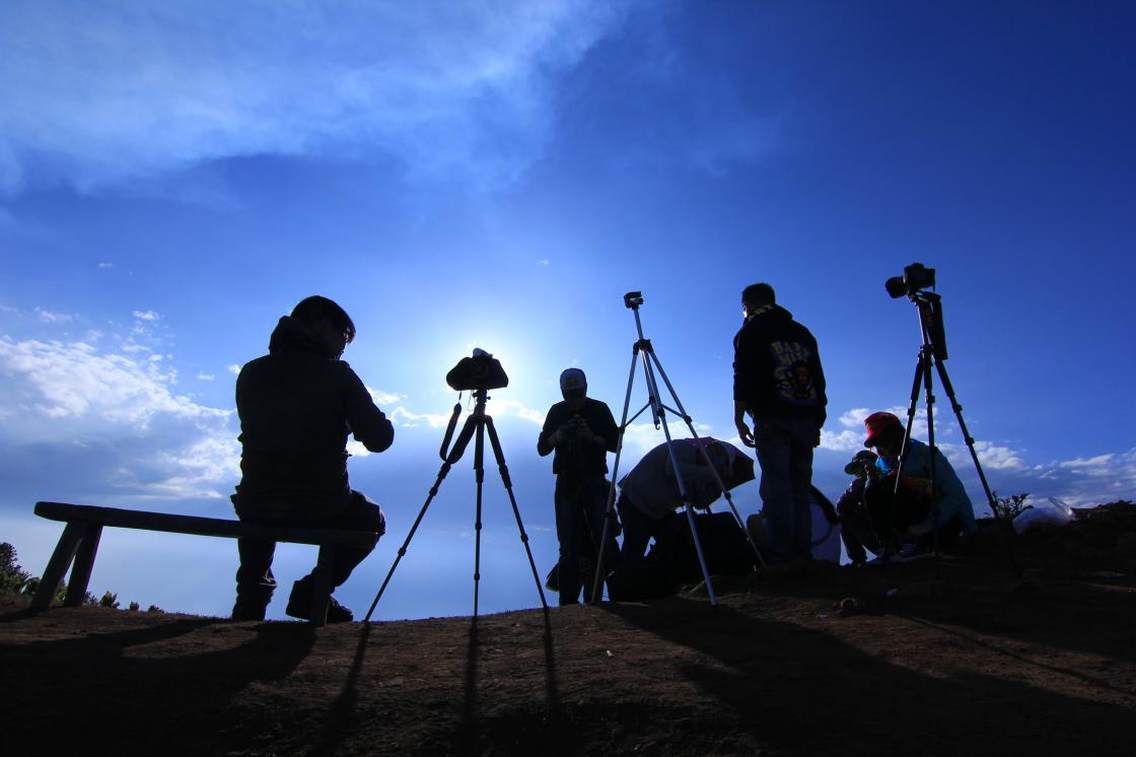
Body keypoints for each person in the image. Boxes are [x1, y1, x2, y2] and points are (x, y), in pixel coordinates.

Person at [230, 295, 394, 622]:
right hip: (320, 505)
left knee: (262, 500)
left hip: (254, 502)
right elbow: (379, 439)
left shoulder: (251, 372)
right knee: (371, 519)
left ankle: (250, 600)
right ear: (320, 325)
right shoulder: (338, 376)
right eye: (343, 335)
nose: (345, 345)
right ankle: (312, 592)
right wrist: (349, 419)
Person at [732, 282, 827, 564]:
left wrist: (739, 417)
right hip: (806, 416)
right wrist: (818, 416)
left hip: (772, 416)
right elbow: (818, 378)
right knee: (800, 487)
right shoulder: (802, 333)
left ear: (747, 306)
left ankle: (782, 556)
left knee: (777, 486)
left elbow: (743, 376)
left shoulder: (750, 331)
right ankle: (803, 553)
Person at [537, 368, 619, 605]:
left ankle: (614, 596)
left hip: (593, 479)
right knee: (569, 544)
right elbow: (543, 447)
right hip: (568, 481)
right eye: (570, 395)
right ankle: (569, 604)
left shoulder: (599, 409)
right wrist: (558, 436)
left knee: (602, 539)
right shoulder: (557, 411)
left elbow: (615, 443)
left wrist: (591, 437)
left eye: (577, 394)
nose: (573, 400)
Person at [853, 411, 976, 560]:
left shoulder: (924, 454)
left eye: (884, 440)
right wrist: (871, 480)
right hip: (914, 523)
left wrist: (927, 526)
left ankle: (920, 543)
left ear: (897, 435)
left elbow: (955, 495)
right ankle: (890, 547)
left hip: (946, 521)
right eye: (876, 442)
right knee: (873, 492)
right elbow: (874, 499)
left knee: (893, 482)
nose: (881, 446)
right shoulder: (881, 463)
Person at [616, 438, 732, 562]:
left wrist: (717, 488)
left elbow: (699, 503)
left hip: (659, 512)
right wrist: (711, 473)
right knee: (633, 552)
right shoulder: (684, 447)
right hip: (635, 502)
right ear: (708, 448)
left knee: (676, 543)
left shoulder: (698, 473)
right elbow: (673, 469)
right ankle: (624, 578)